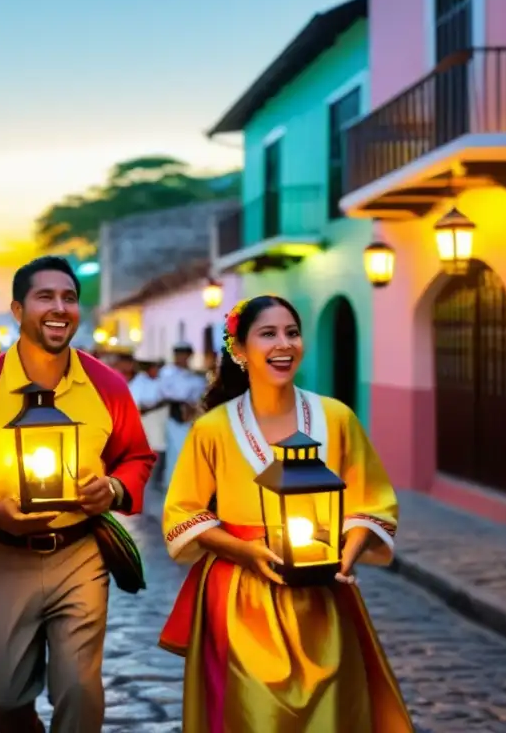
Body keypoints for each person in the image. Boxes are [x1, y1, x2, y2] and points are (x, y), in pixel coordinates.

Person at [159, 295, 412, 732]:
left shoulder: (336, 418)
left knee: (332, 713)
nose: (284, 343)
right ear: (239, 350)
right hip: (241, 600)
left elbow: (371, 500)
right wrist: (243, 551)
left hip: (323, 596)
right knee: (254, 715)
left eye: (292, 333)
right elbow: (184, 512)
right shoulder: (213, 428)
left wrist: (348, 551)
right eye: (268, 333)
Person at [0, 255, 155, 733]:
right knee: (3, 694)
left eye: (69, 298)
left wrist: (113, 489)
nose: (59, 307)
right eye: (45, 297)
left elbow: (137, 457)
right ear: (16, 309)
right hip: (3, 555)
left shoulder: (106, 385)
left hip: (80, 553)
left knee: (79, 690)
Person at [159, 341, 205, 480]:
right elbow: (166, 393)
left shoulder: (195, 376)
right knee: (174, 452)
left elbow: (198, 395)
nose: (182, 357)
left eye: (185, 354)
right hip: (173, 415)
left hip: (191, 417)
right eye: (179, 354)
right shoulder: (167, 373)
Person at [130, 357, 168, 490]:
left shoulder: (162, 381)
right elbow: (138, 404)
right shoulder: (139, 382)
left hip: (161, 425)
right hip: (146, 424)